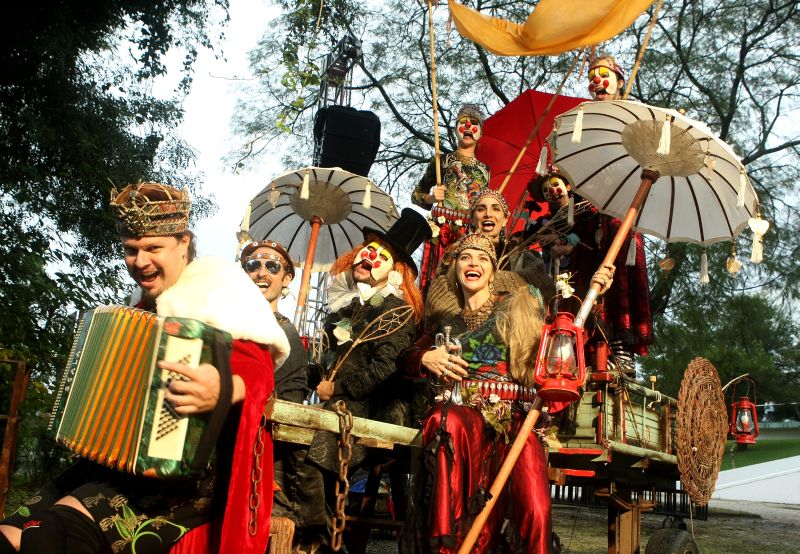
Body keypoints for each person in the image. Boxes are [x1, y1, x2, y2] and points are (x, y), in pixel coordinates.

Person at [0, 182, 289, 554]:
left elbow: (259, 370)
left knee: (56, 533)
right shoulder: (138, 305)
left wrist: (224, 388)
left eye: (154, 248)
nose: (141, 261)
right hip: (121, 468)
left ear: (184, 243)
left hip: (190, 476)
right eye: (131, 250)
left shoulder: (222, 288)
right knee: (10, 535)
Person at [400, 233, 552, 553]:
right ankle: (446, 545)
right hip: (465, 417)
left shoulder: (516, 306)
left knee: (536, 509)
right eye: (466, 258)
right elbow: (406, 358)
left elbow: (546, 349)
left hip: (515, 421)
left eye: (483, 258)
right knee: (446, 422)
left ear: (493, 272)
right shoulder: (445, 323)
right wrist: (426, 358)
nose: (473, 263)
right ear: (455, 269)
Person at [300, 208, 430, 547]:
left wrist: (337, 386)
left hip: (372, 407)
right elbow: (327, 358)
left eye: (381, 256)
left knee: (314, 460)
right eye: (368, 250)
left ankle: (322, 541)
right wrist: (312, 371)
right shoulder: (343, 306)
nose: (369, 257)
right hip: (335, 403)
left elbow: (385, 368)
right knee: (292, 449)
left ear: (395, 273)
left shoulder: (396, 311)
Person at [528, 170, 653, 370]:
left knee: (603, 306)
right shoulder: (545, 222)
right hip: (562, 279)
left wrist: (571, 245)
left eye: (554, 184)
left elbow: (591, 241)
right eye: (545, 190)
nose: (551, 190)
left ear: (568, 186)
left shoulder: (587, 212)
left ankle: (616, 351)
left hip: (591, 275)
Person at [240, 239, 313, 534]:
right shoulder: (225, 321)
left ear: (286, 279)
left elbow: (288, 405)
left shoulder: (285, 333)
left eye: (272, 266)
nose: (261, 273)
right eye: (253, 265)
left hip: (262, 445)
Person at [412, 104, 491, 292]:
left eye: (474, 124)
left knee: (462, 282)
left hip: (469, 232)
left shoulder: (485, 171)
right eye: (463, 123)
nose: (468, 128)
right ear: (456, 128)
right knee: (435, 278)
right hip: (441, 227)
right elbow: (416, 194)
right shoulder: (442, 161)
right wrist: (431, 198)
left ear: (480, 132)